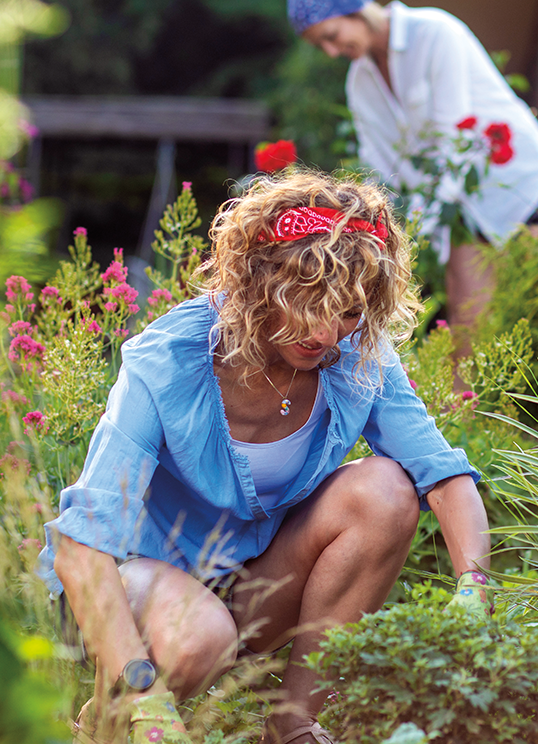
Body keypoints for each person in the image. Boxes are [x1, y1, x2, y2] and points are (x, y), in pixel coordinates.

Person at [37, 171, 492, 744]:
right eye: (309, 304)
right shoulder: (168, 360)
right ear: (259, 282)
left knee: (386, 490)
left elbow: (441, 474)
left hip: (251, 586)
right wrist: (144, 692)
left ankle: (293, 721)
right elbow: (82, 549)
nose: (328, 333)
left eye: (348, 312)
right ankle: (111, 717)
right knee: (199, 637)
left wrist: (473, 590)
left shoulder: (355, 356)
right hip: (136, 593)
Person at [287, 0, 538, 353]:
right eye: (323, 45)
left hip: (522, 185)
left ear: (356, 9)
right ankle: (466, 412)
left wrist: (426, 225)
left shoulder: (436, 33)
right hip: (462, 207)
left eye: (332, 35)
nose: (333, 51)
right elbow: (381, 167)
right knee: (469, 317)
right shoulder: (361, 82)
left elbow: (453, 134)